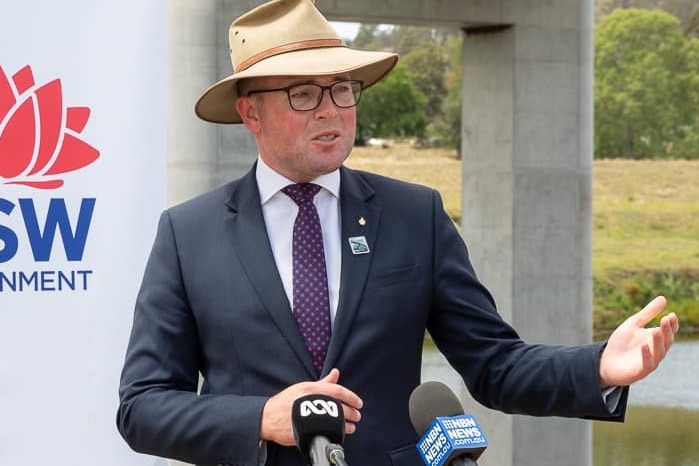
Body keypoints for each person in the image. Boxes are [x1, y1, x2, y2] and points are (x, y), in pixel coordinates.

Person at [116, 1, 680, 465]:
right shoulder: (188, 233)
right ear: (250, 113)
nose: (330, 111)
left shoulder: (415, 215)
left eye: (341, 89)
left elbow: (496, 366)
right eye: (304, 95)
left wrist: (600, 366)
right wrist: (260, 418)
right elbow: (142, 408)